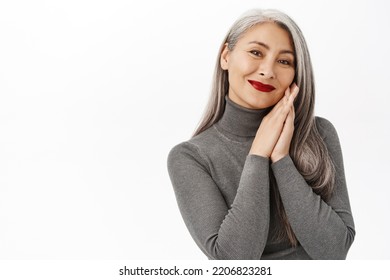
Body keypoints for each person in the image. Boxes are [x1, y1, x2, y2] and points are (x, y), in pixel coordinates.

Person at [167, 8, 355, 260]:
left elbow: (334, 252)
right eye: (256, 52)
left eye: (284, 61)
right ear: (226, 56)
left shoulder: (318, 134)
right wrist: (258, 154)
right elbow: (233, 263)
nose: (268, 70)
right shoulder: (191, 157)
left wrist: (281, 158)